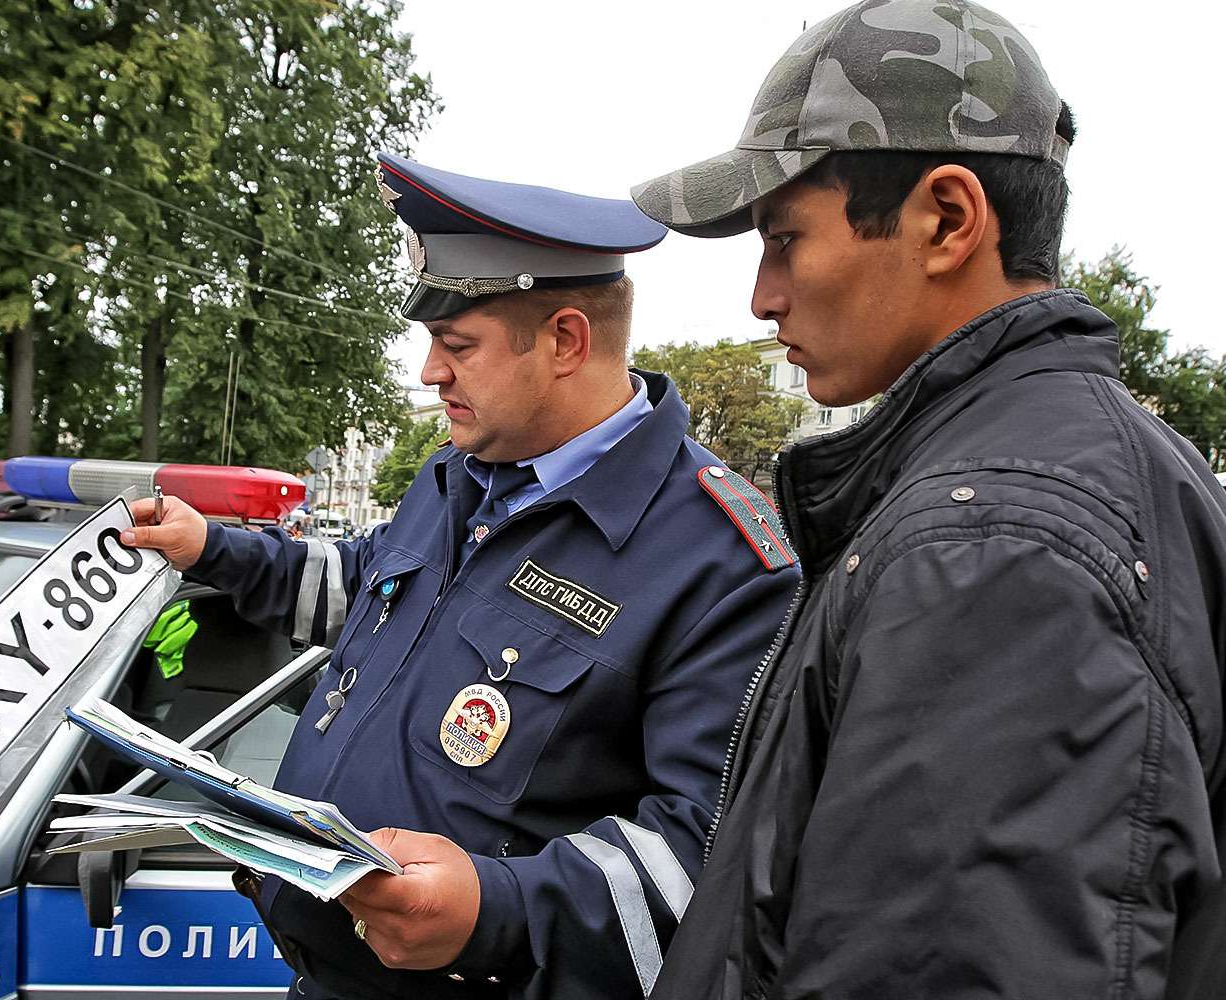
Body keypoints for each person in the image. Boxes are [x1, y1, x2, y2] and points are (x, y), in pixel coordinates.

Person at [628, 2, 1226, 997]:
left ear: (947, 219)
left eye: (784, 238)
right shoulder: (1104, 468)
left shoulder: (991, 549)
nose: (761, 294)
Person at [119, 153, 800, 1000]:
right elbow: (364, 584)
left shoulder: (722, 559)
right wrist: (211, 549)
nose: (429, 373)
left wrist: (496, 910)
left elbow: (708, 858)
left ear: (564, 341)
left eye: (457, 345)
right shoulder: (460, 476)